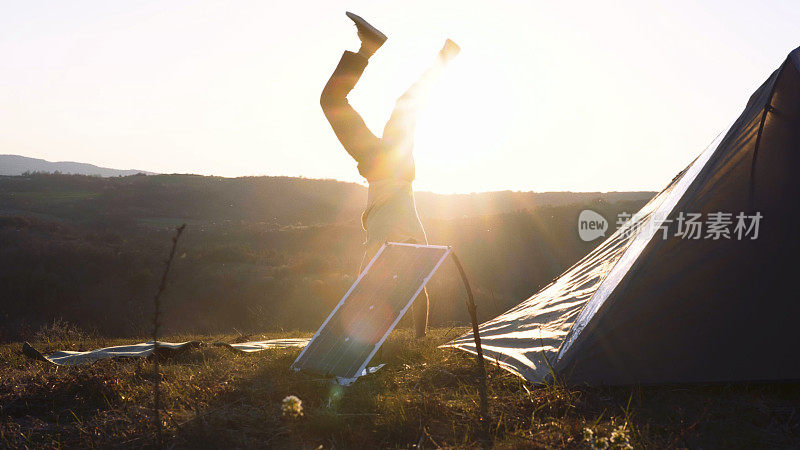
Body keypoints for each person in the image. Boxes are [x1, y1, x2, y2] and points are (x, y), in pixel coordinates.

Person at [320, 12, 459, 338]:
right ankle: (419, 56)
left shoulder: (399, 241)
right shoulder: (398, 243)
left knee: (342, 101)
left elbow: (415, 293)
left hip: (385, 167)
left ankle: (370, 48)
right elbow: (416, 293)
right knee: (356, 102)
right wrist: (418, 340)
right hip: (387, 168)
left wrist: (417, 338)